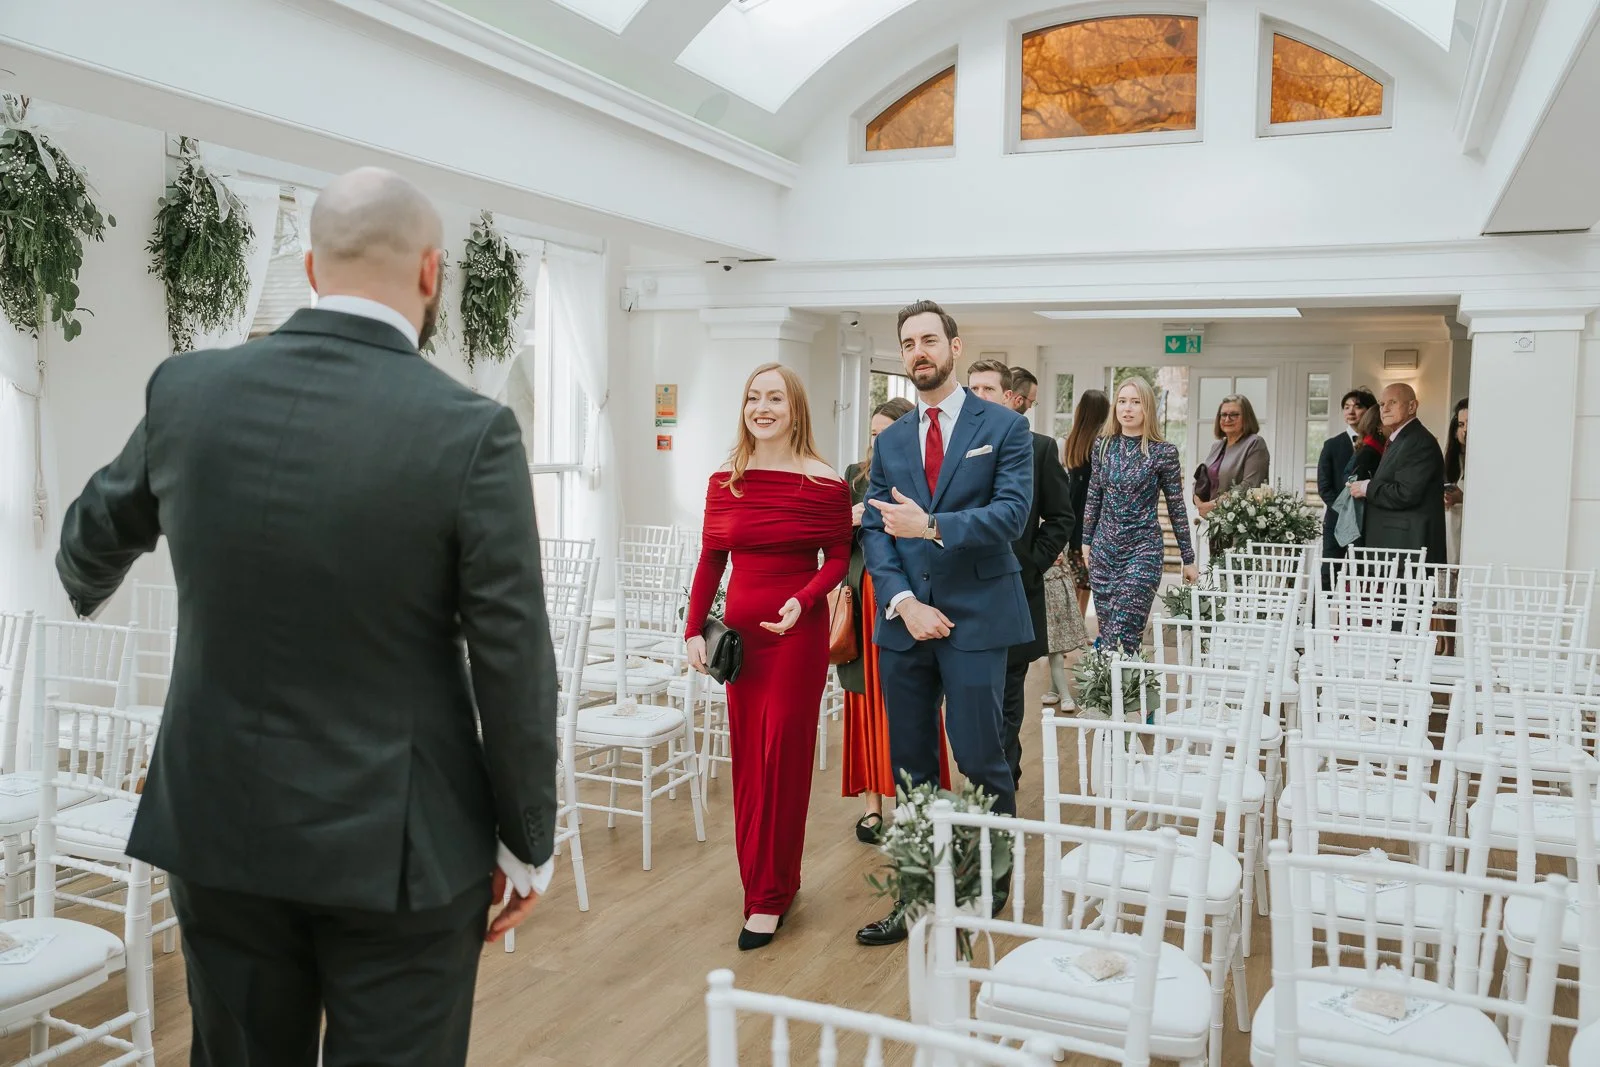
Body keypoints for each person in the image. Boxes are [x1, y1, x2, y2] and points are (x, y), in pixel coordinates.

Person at [55, 167, 555, 1067]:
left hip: (219, 823)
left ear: (312, 268)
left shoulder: (187, 392)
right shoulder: (470, 430)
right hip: (402, 844)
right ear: (432, 272)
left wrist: (88, 584)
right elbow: (514, 658)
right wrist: (527, 839)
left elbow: (88, 539)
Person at [856, 301, 1033, 947]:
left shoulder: (1003, 426)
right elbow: (877, 528)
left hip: (977, 617)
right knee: (910, 768)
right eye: (908, 343)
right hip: (907, 621)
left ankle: (987, 890)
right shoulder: (891, 439)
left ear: (955, 347)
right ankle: (918, 893)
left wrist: (931, 524)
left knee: (982, 757)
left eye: (929, 339)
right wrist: (903, 601)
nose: (918, 351)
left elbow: (1012, 516)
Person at [684, 363, 851, 951]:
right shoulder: (725, 479)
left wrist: (804, 602)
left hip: (793, 639)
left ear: (795, 407)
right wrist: (692, 630)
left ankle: (771, 897)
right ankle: (762, 883)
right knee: (750, 763)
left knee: (783, 758)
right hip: (741, 642)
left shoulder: (824, 481)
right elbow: (710, 561)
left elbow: (836, 557)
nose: (762, 407)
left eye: (774, 398)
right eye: (753, 397)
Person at [839, 397, 950, 844]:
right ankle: (871, 803)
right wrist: (844, 520)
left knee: (909, 701)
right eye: (872, 433)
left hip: (908, 596)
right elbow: (832, 541)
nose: (877, 440)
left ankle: (916, 799)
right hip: (861, 595)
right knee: (864, 699)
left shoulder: (924, 474)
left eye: (886, 432)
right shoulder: (853, 475)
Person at [968, 360, 1076, 787]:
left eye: (987, 390)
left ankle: (1002, 780)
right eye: (971, 389)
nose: (979, 397)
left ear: (1008, 397)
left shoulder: (1040, 448)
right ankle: (975, 773)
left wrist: (1031, 560)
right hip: (960, 593)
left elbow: (1062, 518)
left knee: (1010, 688)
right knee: (971, 693)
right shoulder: (949, 447)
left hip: (1015, 588)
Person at [1082, 377, 1198, 654]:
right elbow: (1093, 496)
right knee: (1108, 629)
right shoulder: (1103, 446)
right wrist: (1086, 541)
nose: (1127, 408)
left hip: (1142, 551)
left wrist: (1188, 558)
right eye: (1122, 401)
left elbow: (1176, 507)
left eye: (1135, 402)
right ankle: (1113, 694)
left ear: (1147, 408)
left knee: (1124, 630)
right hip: (1104, 550)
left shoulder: (1163, 452)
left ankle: (1117, 691)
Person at [1350, 382, 1448, 566]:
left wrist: (1366, 487)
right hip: (1397, 548)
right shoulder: (1402, 439)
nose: (1385, 409)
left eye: (1392, 402)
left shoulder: (1418, 441)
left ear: (1412, 406)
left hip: (1408, 548)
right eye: (1381, 404)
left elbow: (1406, 493)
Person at [1193, 393, 1270, 562]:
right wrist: (1198, 501)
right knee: (1218, 575)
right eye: (1223, 414)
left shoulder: (1255, 443)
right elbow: (1204, 476)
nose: (1227, 419)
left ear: (1246, 417)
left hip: (1242, 526)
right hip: (1217, 524)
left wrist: (1212, 505)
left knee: (1237, 579)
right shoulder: (1217, 445)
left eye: (1234, 414)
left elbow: (1249, 485)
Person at [1317, 389, 1376, 587]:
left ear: (1370, 411)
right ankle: (1315, 618)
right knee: (1328, 575)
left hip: (1367, 520)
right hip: (1336, 520)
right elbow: (1324, 487)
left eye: (1358, 406)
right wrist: (1343, 511)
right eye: (1346, 407)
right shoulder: (1331, 445)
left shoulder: (1378, 444)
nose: (1351, 412)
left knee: (1363, 576)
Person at [1062, 389, 1110, 622]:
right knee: (1088, 575)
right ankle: (1079, 622)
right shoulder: (1101, 443)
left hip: (1072, 509)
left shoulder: (1072, 439)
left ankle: (1074, 624)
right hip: (1092, 512)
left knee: (1075, 574)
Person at [1444, 397, 1468, 563]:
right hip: (1449, 535)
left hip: (1472, 540)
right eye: (1461, 424)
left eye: (1469, 423)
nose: (1465, 430)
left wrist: (1463, 498)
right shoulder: (1452, 461)